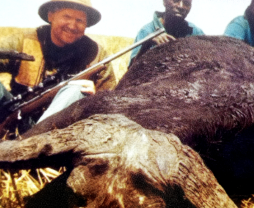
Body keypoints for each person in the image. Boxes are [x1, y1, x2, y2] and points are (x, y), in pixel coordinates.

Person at [0, 0, 116, 132]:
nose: (72, 26)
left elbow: (111, 100)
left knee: (77, 89)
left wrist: (95, 98)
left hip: (58, 131)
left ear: (86, 24)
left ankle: (36, 139)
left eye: (79, 20)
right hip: (15, 116)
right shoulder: (24, 41)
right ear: (51, 16)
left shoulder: (97, 55)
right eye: (67, 17)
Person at [129, 0, 204, 66]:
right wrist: (146, 44)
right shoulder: (147, 31)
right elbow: (130, 74)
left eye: (187, 3)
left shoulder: (196, 33)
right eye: (176, 0)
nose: (181, 6)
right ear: (164, 1)